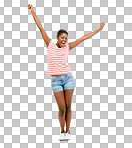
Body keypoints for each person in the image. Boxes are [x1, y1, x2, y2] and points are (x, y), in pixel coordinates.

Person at [28, 4, 105, 141]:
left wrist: (99, 29)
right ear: (57, 37)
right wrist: (32, 11)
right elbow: (40, 27)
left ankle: (68, 131)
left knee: (69, 106)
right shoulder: (50, 44)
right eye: (62, 37)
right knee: (62, 108)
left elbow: (83, 38)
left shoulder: (67, 47)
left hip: (68, 78)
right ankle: (62, 130)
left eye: (66, 38)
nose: (64, 40)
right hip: (56, 81)